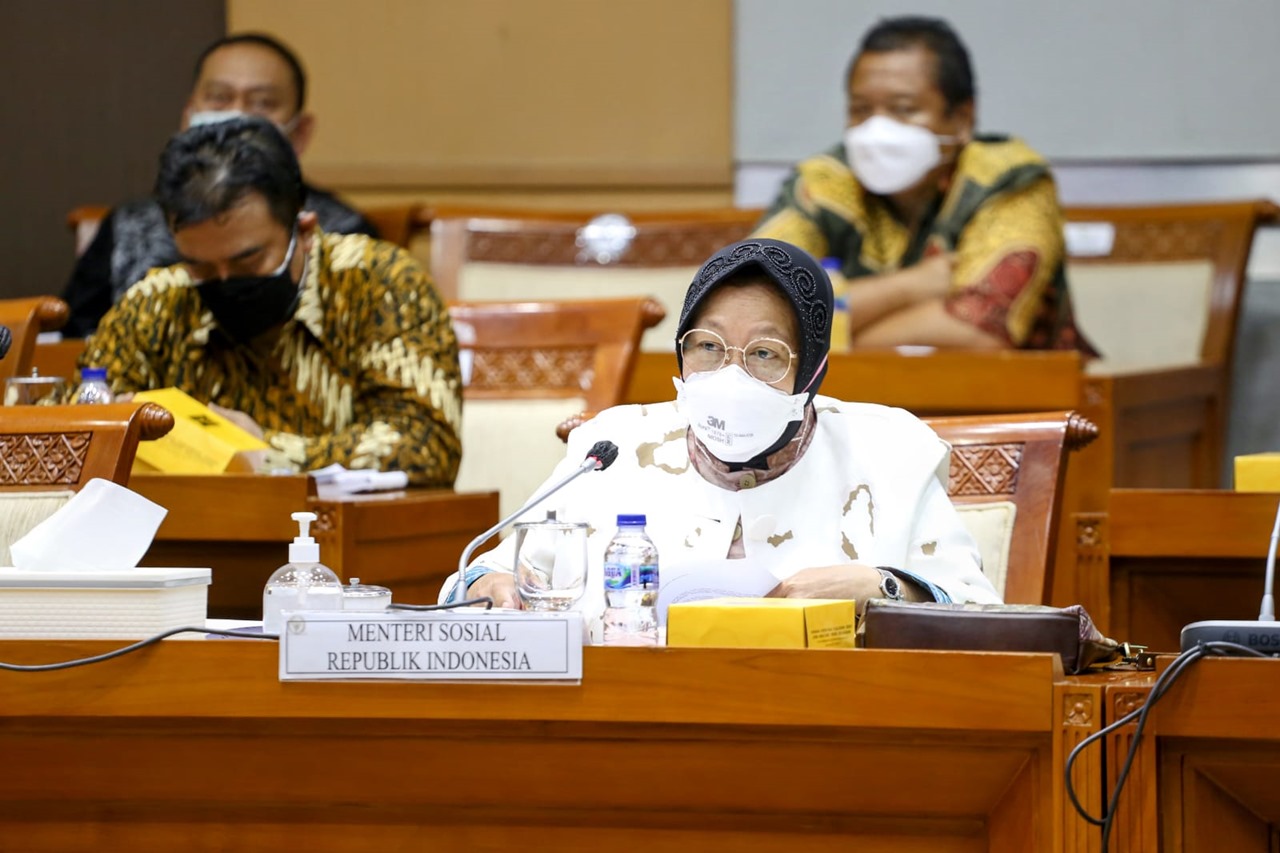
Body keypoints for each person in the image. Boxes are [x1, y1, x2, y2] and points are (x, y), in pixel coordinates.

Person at [441, 238, 1000, 623]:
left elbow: (984, 618)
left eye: (764, 352)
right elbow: (482, 577)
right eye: (707, 346)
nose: (730, 374)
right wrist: (487, 587)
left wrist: (882, 590)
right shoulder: (614, 447)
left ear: (812, 369)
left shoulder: (889, 451)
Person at [79, 116, 462, 487]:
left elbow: (427, 444)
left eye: (248, 261)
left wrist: (266, 454)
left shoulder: (380, 284)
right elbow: (67, 424)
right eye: (202, 268)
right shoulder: (160, 301)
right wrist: (110, 424)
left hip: (335, 540)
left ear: (305, 231)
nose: (226, 281)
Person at [753, 16, 1095, 354]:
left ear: (962, 119)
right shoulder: (825, 182)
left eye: (903, 110)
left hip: (1010, 401)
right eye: (860, 110)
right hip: (842, 403)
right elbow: (754, 305)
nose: (877, 130)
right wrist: (910, 287)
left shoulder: (1009, 180)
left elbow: (977, 331)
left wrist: (822, 343)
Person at [61, 32, 378, 338]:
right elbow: (72, 342)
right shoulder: (127, 226)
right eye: (219, 98)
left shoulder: (347, 232)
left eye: (262, 102)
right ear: (189, 115)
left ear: (301, 132)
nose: (235, 116)